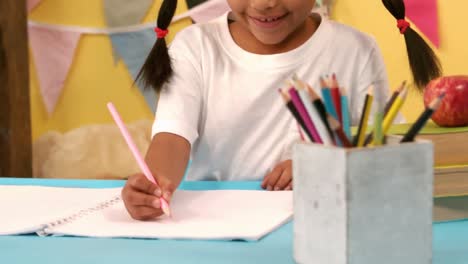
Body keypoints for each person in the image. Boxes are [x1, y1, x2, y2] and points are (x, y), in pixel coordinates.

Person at [121, 0, 441, 220]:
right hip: (219, 225)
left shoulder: (355, 49)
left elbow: (380, 150)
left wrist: (322, 166)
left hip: (324, 220)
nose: (264, 2)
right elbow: (172, 137)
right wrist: (155, 183)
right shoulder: (195, 46)